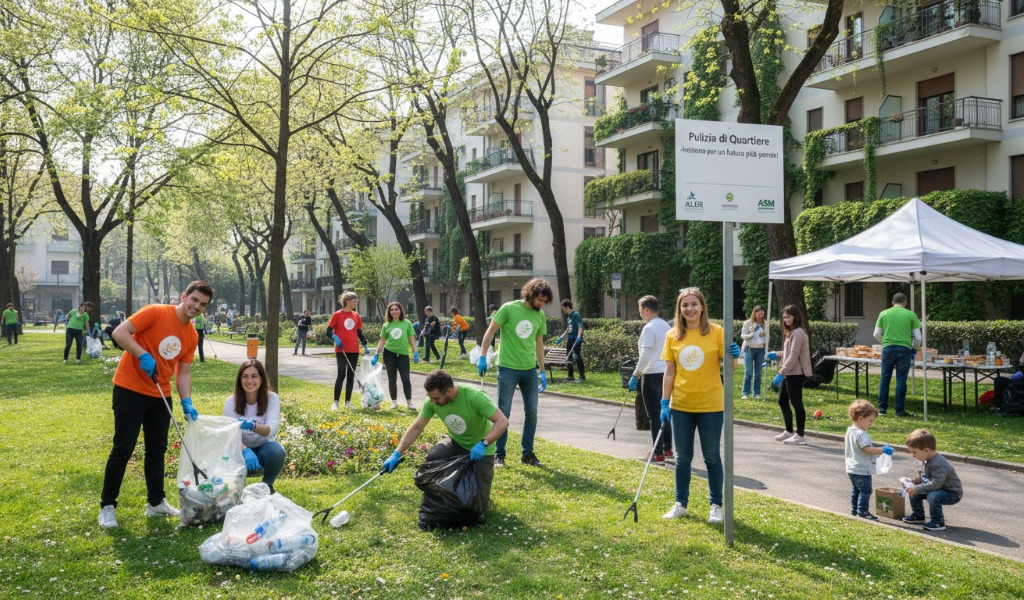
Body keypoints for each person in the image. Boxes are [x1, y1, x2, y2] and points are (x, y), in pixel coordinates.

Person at [98, 280, 213, 528]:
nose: (197, 306)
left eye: (203, 305)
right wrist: (142, 354)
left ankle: (156, 503)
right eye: (194, 300)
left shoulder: (191, 335)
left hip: (161, 393)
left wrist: (186, 401)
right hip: (129, 389)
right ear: (184, 296)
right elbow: (119, 333)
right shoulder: (155, 311)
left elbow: (183, 373)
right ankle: (107, 506)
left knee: (156, 450)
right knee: (123, 448)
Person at [381, 370, 509, 527]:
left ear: (449, 391)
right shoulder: (432, 402)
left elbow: (502, 421)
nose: (433, 402)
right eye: (430, 398)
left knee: (477, 506)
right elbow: (417, 426)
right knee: (435, 455)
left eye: (436, 398)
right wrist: (396, 453)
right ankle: (440, 498)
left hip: (481, 449)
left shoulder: (474, 396)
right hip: (456, 443)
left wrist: (483, 443)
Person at [659, 287, 740, 524]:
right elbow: (670, 371)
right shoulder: (673, 335)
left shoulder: (716, 332)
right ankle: (680, 504)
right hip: (681, 405)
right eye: (685, 305)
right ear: (679, 309)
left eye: (694, 304)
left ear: (702, 307)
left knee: (712, 457)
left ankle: (716, 506)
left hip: (711, 406)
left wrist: (734, 355)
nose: (690, 309)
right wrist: (665, 401)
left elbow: (730, 367)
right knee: (683, 458)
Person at [478, 279, 551, 468]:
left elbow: (539, 344)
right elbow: (490, 332)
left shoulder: (540, 316)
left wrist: (542, 370)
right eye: (540, 300)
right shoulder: (508, 309)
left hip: (529, 370)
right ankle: (499, 454)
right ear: (532, 294)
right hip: (508, 368)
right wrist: (483, 357)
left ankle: (527, 454)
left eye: (545, 301)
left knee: (532, 413)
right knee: (504, 413)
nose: (542, 304)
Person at [223, 358, 285, 494]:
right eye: (244, 376)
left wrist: (253, 426)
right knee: (232, 491)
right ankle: (234, 489)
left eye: (254, 376)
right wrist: (245, 450)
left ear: (261, 379)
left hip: (263, 446)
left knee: (277, 451)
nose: (249, 381)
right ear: (240, 380)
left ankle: (267, 485)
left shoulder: (272, 399)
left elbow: (271, 430)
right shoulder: (231, 402)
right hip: (238, 449)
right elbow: (229, 434)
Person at [628, 295, 672, 462]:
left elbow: (646, 354)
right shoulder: (666, 326)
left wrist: (635, 374)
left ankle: (657, 452)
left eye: (640, 311)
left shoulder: (649, 328)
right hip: (665, 374)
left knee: (654, 415)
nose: (640, 314)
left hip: (651, 374)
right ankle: (667, 448)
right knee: (664, 412)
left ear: (646, 310)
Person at [767, 305, 812, 445]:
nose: (786, 319)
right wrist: (779, 354)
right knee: (782, 401)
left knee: (796, 403)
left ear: (796, 317)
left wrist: (781, 372)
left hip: (796, 373)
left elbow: (794, 356)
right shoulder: (792, 332)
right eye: (784, 317)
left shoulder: (798, 333)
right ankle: (789, 431)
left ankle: (800, 435)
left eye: (789, 317)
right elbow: (790, 353)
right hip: (789, 373)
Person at [903, 429, 963, 531]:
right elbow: (929, 478)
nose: (913, 455)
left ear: (926, 450)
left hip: (951, 493)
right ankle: (918, 516)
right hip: (938, 488)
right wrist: (918, 481)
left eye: (914, 452)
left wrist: (918, 488)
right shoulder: (927, 459)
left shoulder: (938, 464)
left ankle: (938, 522)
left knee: (933, 495)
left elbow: (936, 483)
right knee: (914, 490)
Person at [844, 399, 894, 521]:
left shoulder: (850, 431)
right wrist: (882, 450)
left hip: (852, 468)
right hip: (862, 469)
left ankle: (854, 510)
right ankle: (863, 511)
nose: (871, 424)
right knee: (866, 491)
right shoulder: (861, 433)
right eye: (870, 421)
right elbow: (866, 449)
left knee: (856, 490)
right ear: (861, 418)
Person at [874, 292, 922, 417]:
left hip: (888, 348)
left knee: (885, 378)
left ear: (892, 302)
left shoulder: (883, 313)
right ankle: (899, 411)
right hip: (904, 349)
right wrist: (913, 349)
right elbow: (917, 338)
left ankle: (882, 409)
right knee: (901, 380)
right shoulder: (911, 315)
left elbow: (876, 334)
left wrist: (885, 342)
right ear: (905, 302)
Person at [371, 301, 418, 410]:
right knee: (392, 378)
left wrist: (415, 352)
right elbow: (382, 340)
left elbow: (411, 339)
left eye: (396, 309)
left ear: (400, 310)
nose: (394, 311)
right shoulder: (386, 325)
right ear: (389, 312)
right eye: (392, 310)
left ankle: (409, 402)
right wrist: (377, 353)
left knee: (405, 378)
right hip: (389, 353)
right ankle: (394, 402)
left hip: (403, 354)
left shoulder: (407, 323)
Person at [327, 292, 369, 410]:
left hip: (353, 350)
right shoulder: (337, 315)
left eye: (356, 301)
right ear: (347, 301)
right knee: (341, 374)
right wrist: (335, 337)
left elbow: (359, 332)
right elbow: (328, 331)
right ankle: (335, 402)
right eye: (354, 300)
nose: (356, 302)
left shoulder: (356, 316)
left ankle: (348, 402)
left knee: (351, 376)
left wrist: (365, 344)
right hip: (341, 350)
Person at [739, 305, 767, 399]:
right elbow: (742, 335)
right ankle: (745, 393)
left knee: (758, 373)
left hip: (760, 349)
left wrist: (765, 342)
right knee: (748, 372)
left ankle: (757, 393)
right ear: (754, 313)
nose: (760, 314)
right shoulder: (748, 323)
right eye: (758, 312)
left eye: (762, 312)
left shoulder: (765, 323)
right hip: (748, 347)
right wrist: (749, 335)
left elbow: (767, 336)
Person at [556, 299, 585, 383]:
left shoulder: (576, 315)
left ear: (567, 307)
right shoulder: (569, 317)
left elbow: (580, 327)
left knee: (577, 356)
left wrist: (578, 338)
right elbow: (569, 328)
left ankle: (582, 377)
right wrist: (561, 337)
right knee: (569, 357)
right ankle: (570, 376)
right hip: (570, 338)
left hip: (576, 339)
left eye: (563, 308)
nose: (563, 310)